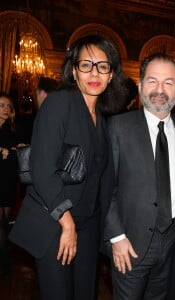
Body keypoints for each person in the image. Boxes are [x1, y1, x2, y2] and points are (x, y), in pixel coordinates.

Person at [9, 34, 127, 300]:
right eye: (86, 65)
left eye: (102, 66)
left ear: (111, 75)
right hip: (58, 223)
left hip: (88, 226)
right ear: (74, 71)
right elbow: (41, 169)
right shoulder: (60, 103)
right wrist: (67, 223)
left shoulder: (103, 119)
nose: (94, 72)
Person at [104, 53, 175, 300]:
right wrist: (116, 236)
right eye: (152, 81)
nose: (160, 90)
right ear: (141, 85)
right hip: (130, 243)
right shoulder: (118, 127)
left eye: (168, 82)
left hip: (173, 243)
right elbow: (105, 187)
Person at [0, 93, 24, 275]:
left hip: (7, 180)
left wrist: (10, 152)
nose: (6, 109)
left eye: (8, 106)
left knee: (4, 222)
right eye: (1, 105)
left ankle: (4, 258)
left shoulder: (12, 130)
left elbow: (17, 156)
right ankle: (4, 260)